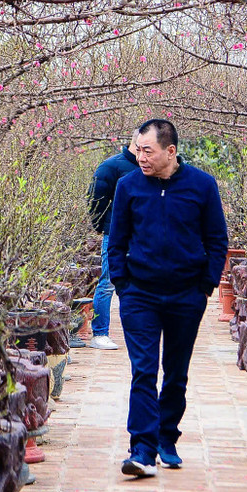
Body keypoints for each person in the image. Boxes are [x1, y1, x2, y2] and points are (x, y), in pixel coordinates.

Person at [107, 119, 228, 477]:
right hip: (139, 295)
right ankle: (142, 450)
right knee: (144, 370)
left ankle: (167, 437)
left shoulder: (202, 186)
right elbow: (116, 240)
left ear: (170, 151)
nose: (140, 157)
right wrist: (123, 284)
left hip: (186, 295)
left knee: (176, 372)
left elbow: (217, 239)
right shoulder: (128, 186)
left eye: (148, 151)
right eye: (137, 150)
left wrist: (205, 285)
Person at [85, 128, 142, 350]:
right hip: (117, 235)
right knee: (108, 283)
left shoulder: (151, 168)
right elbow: (95, 200)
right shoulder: (112, 166)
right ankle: (99, 333)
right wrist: (104, 226)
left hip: (144, 236)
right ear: (135, 143)